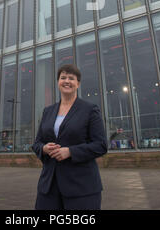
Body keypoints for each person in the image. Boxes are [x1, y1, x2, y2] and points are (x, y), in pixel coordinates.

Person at [32, 64, 107, 210]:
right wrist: (44, 148)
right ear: (58, 82)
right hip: (49, 186)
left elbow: (101, 145)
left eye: (71, 78)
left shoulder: (90, 110)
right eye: (63, 77)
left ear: (78, 84)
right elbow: (37, 143)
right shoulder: (48, 111)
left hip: (81, 187)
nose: (67, 81)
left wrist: (70, 152)